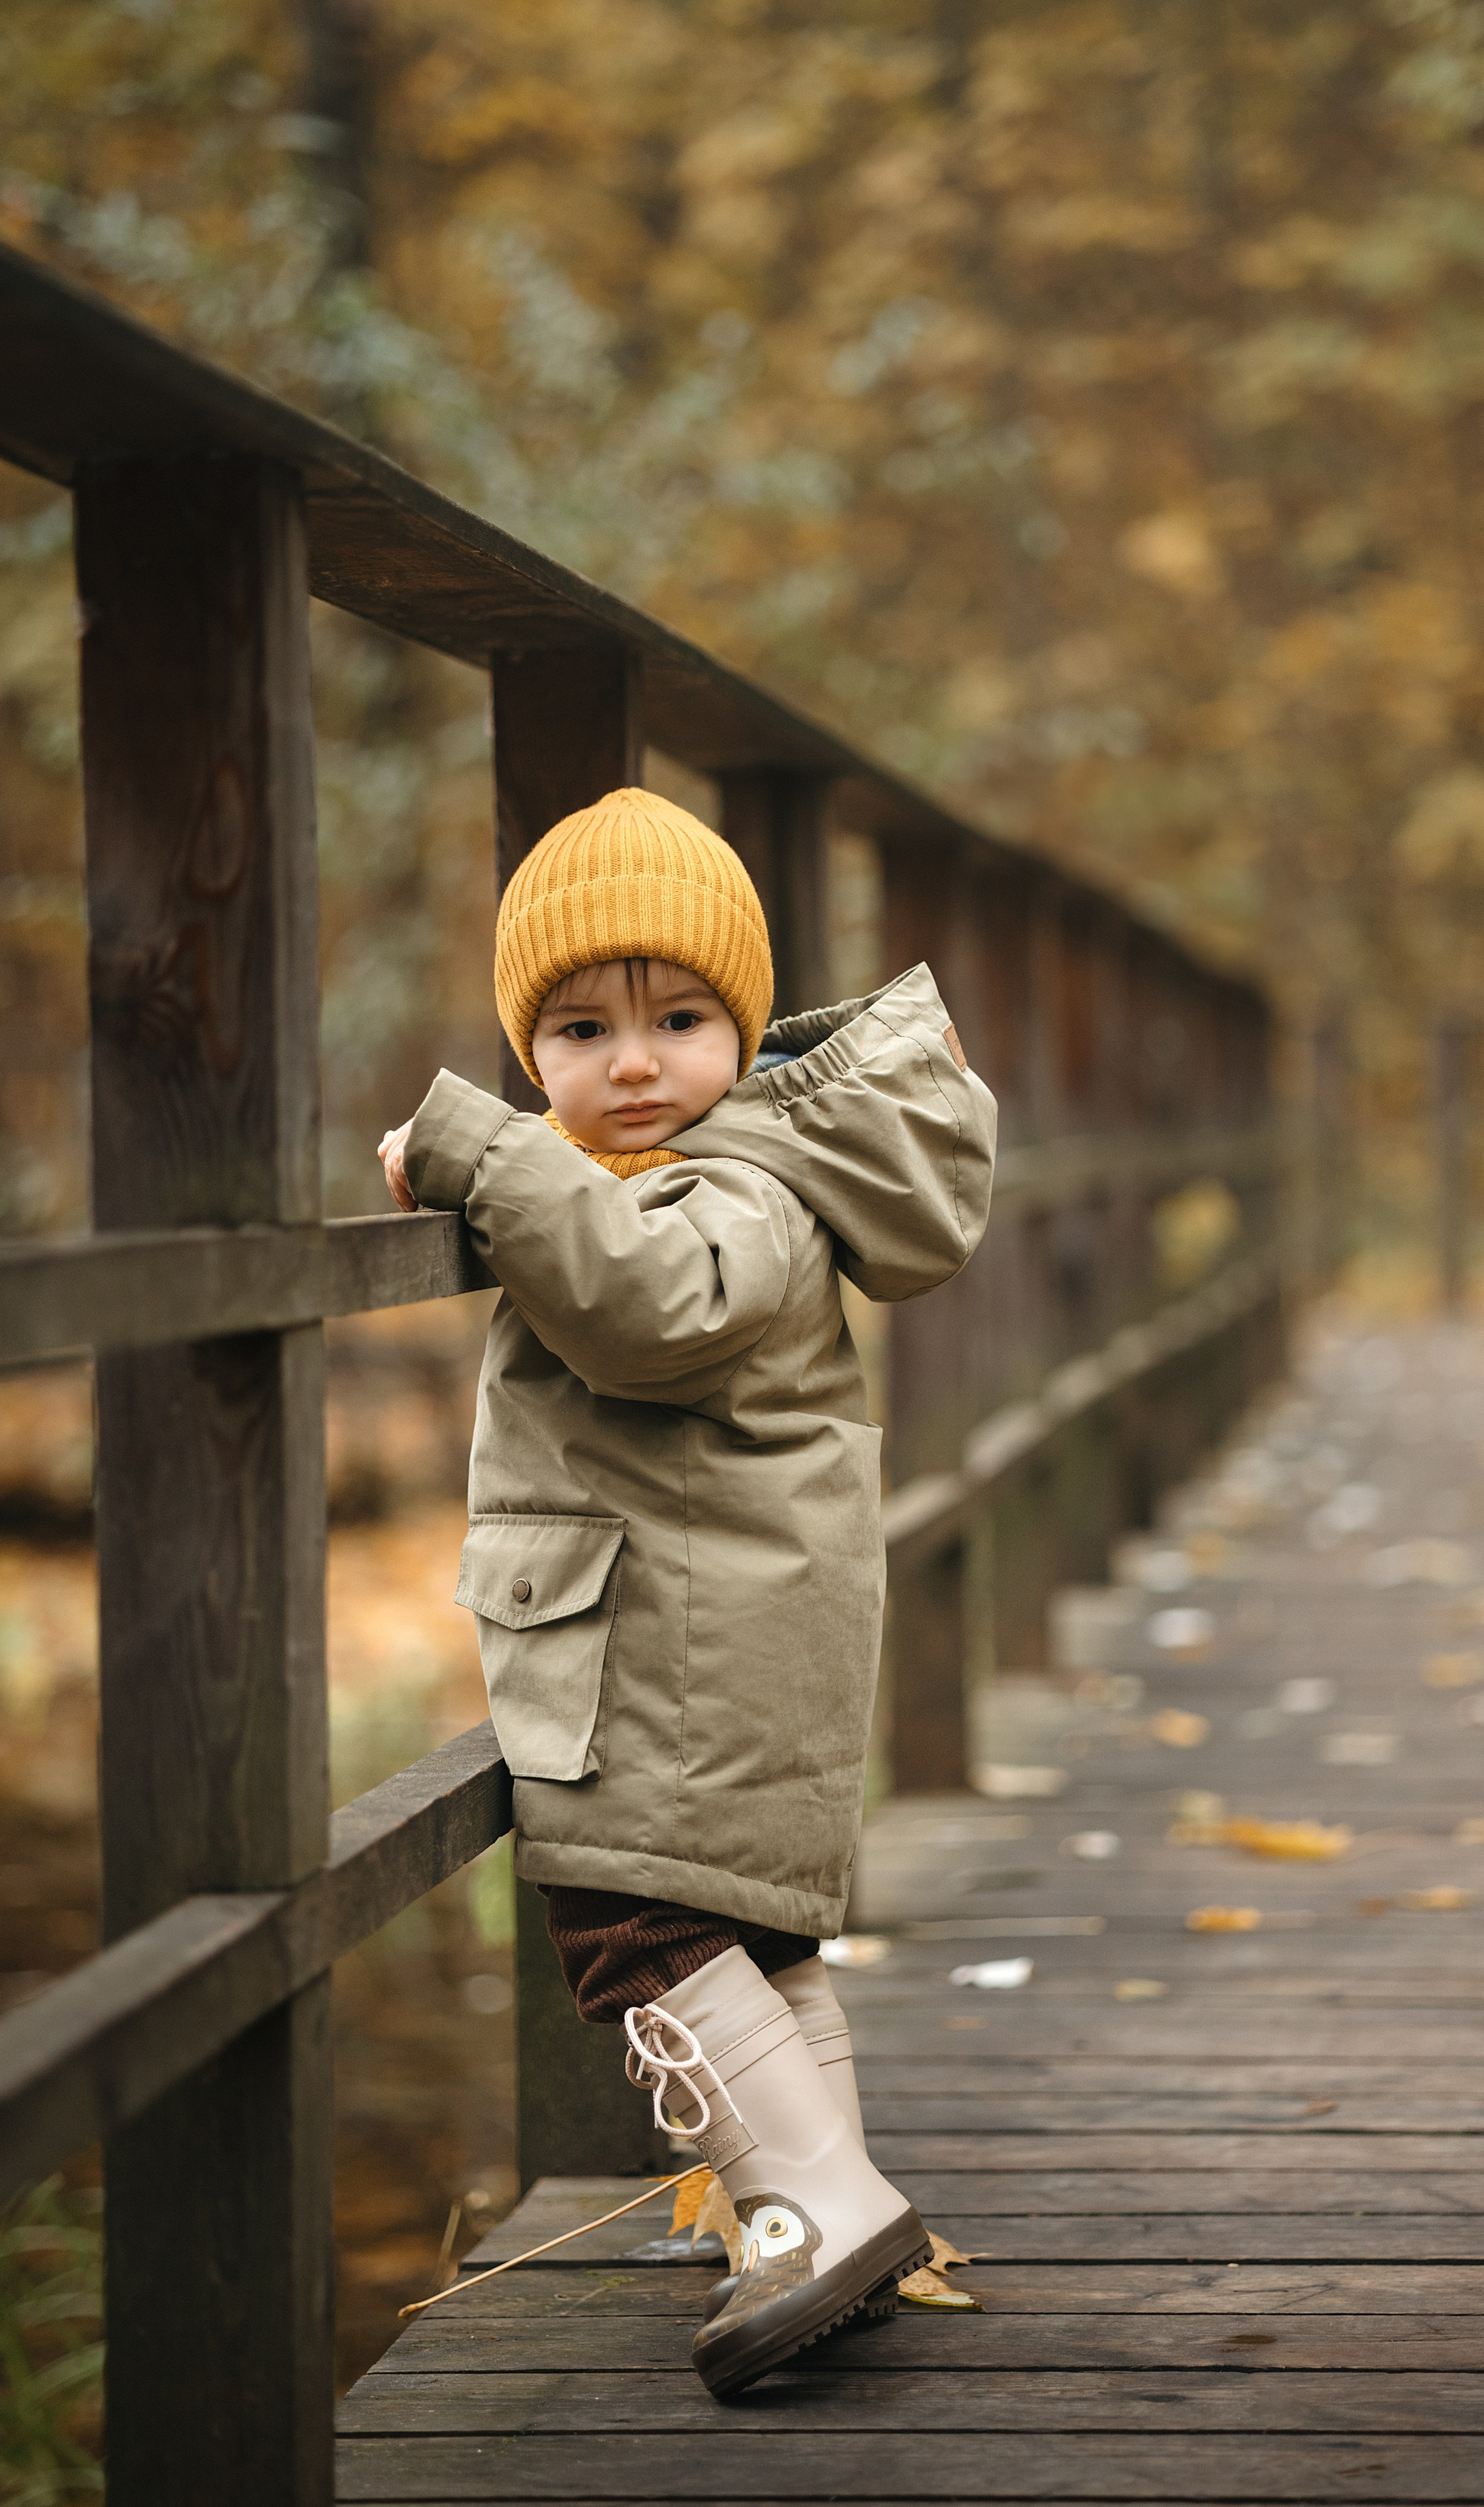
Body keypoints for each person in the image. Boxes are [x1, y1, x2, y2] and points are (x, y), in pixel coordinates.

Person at [378, 785, 996, 2395]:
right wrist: (528, 1167)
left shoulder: (743, 1185)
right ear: (537, 1047)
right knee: (750, 1939)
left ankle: (815, 2201)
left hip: (683, 1648)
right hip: (706, 1631)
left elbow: (645, 1305)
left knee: (635, 1929)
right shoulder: (685, 1164)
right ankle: (815, 2206)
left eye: (678, 1018)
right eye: (578, 1028)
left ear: (746, 1030)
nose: (631, 1062)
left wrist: (476, 1152)